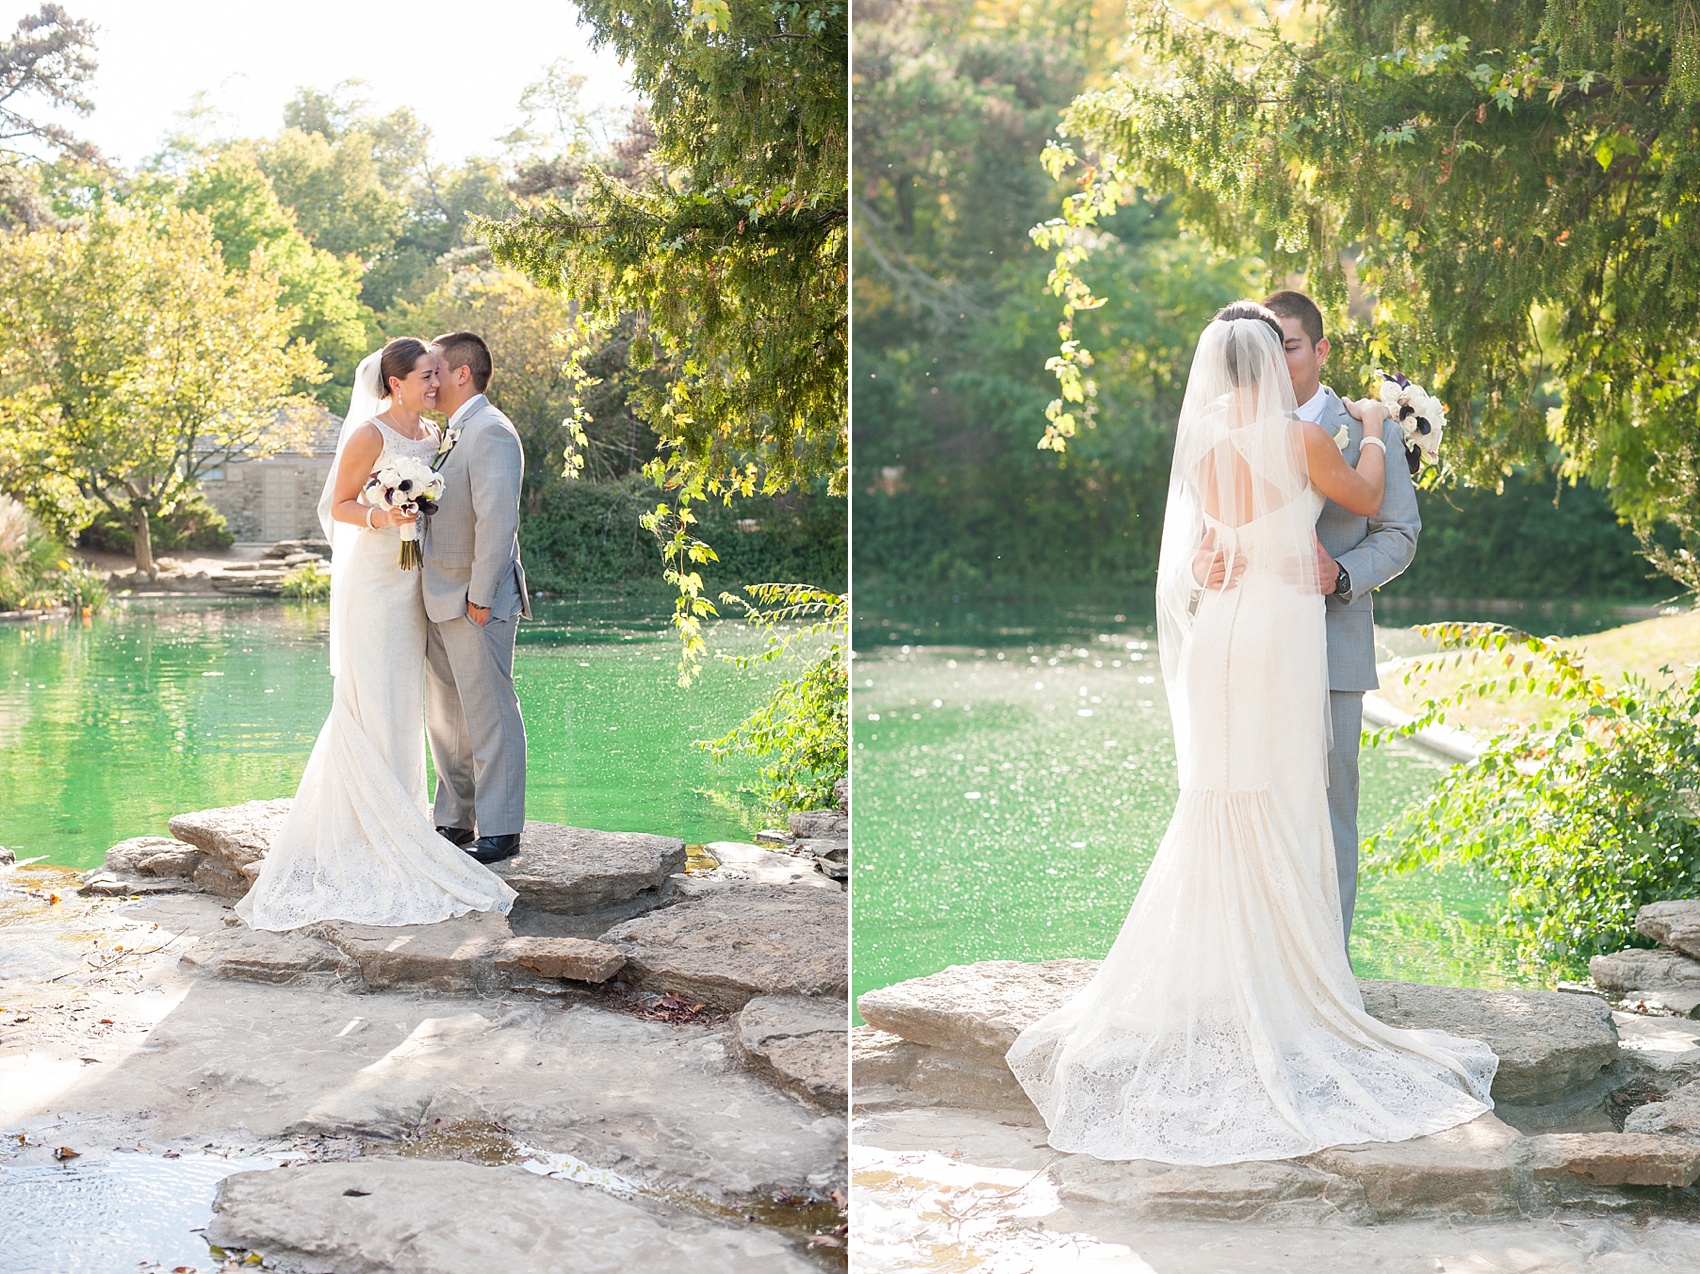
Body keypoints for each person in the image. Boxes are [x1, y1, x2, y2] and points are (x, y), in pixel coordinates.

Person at [1005, 303, 1495, 1165]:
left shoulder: (1200, 443)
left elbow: (1214, 540)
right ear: (1272, 362)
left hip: (1222, 633)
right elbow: (1368, 494)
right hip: (1275, 632)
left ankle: (1236, 979)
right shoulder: (1305, 441)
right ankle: (1283, 988)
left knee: (1221, 798)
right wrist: (1379, 426)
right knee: (1282, 795)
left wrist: (1208, 558)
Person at [235, 339, 517, 931]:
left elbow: (482, 513)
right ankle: (385, 820)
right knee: (388, 699)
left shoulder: (450, 435)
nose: (434, 384)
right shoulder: (375, 434)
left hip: (421, 587)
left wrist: (477, 586)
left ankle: (439, 820)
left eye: (438, 375)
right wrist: (382, 515)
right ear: (395, 383)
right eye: (424, 376)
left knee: (414, 700)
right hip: (378, 583)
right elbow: (337, 504)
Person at [420, 332, 531, 865]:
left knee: (489, 715)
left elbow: (497, 521)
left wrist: (481, 596)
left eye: (436, 369)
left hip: (473, 599)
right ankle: (454, 819)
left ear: (462, 373)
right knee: (447, 717)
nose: (431, 379)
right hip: (439, 596)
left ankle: (502, 828)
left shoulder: (491, 431)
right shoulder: (450, 433)